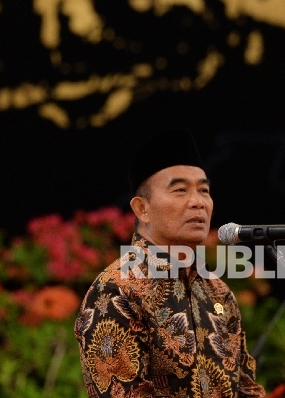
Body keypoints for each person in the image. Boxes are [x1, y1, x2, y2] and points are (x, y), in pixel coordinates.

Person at [75, 128, 265, 398]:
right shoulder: (117, 290)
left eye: (204, 190)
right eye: (180, 190)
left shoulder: (219, 292)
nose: (198, 202)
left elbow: (246, 388)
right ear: (142, 208)